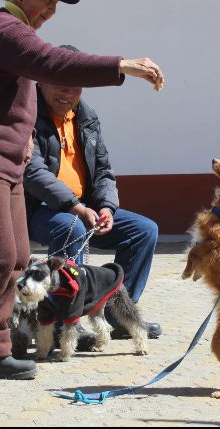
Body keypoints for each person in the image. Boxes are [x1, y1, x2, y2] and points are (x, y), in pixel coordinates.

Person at [0, 0, 165, 388]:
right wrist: (121, 66)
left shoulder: (16, 37)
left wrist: (21, 144)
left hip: (5, 162)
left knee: (18, 257)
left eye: (58, 1)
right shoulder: (2, 29)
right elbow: (52, 63)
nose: (53, 8)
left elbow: (15, 104)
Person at [25, 44, 162, 342]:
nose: (67, 93)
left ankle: (120, 314)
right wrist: (76, 207)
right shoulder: (27, 115)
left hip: (84, 207)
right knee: (72, 226)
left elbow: (103, 170)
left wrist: (107, 208)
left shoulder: (87, 116)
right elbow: (33, 174)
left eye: (75, 87)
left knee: (144, 231)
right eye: (60, 84)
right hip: (37, 210)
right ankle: (64, 321)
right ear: (41, 82)